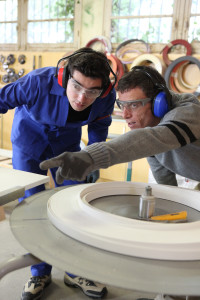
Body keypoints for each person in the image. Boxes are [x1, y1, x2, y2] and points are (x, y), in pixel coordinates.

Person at [0, 48, 116, 300]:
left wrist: (93, 159)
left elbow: (99, 127)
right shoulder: (36, 82)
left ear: (103, 90)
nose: (82, 98)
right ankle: (39, 272)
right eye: (77, 87)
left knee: (76, 206)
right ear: (64, 77)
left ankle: (75, 271)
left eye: (92, 91)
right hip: (28, 143)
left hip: (68, 148)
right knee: (31, 208)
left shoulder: (106, 97)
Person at [40, 65, 200, 190]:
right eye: (122, 105)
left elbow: (154, 138)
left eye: (134, 105)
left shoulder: (189, 114)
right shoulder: (151, 128)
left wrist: (91, 157)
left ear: (159, 102)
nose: (125, 115)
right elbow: (165, 179)